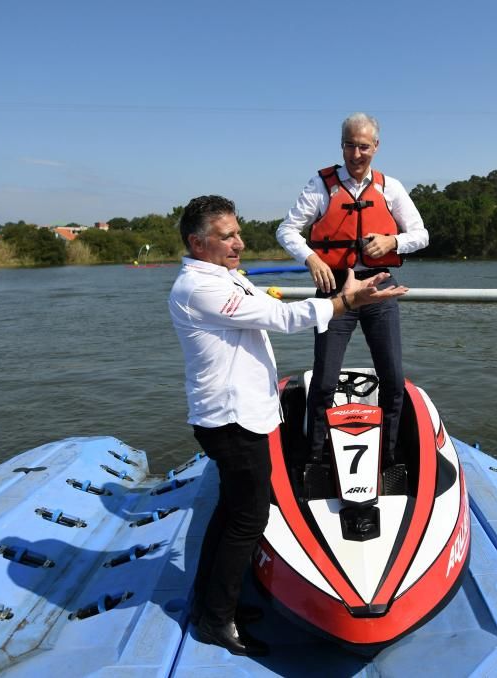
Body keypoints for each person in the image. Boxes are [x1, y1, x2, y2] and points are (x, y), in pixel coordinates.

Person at [169, 195, 406, 657]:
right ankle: (217, 621)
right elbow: (281, 317)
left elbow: (271, 309)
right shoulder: (202, 288)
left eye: (238, 232)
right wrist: (344, 302)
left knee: (231, 512)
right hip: (231, 421)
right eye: (227, 236)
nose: (240, 242)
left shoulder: (224, 277)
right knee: (248, 518)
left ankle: (213, 605)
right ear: (198, 243)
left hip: (241, 415)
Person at [276, 112, 428, 468]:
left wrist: (393, 240)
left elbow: (421, 235)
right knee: (325, 381)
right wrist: (312, 258)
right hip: (335, 290)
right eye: (350, 145)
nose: (356, 154)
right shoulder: (321, 185)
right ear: (341, 145)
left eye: (364, 146)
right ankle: (314, 457)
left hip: (379, 288)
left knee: (392, 378)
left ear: (376, 147)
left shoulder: (391, 187)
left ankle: (388, 457)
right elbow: (287, 230)